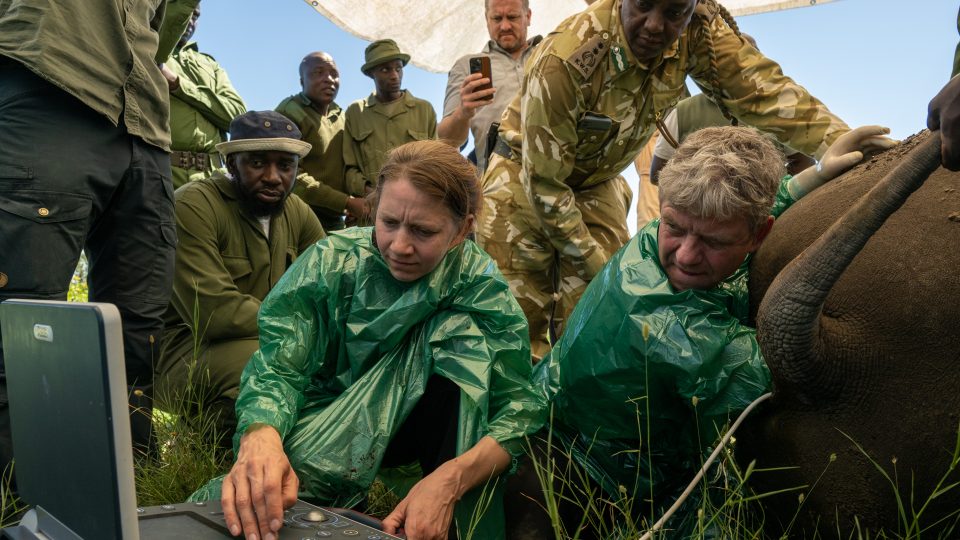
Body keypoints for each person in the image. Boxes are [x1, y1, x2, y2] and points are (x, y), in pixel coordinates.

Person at [504, 125, 894, 538]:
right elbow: (790, 377)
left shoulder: (653, 239)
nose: (686, 256)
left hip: (611, 460)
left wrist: (810, 178)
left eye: (712, 240)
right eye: (675, 227)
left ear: (759, 233)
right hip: (560, 474)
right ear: (665, 205)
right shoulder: (680, 332)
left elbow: (726, 214)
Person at [189, 140, 543, 540]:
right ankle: (341, 503)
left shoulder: (478, 286)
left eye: (423, 231)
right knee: (247, 501)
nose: (400, 246)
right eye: (389, 223)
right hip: (329, 418)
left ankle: (449, 522)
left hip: (426, 429)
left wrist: (450, 481)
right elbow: (279, 367)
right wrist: (262, 435)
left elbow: (518, 408)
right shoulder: (332, 262)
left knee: (460, 334)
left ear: (462, 228)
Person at [479, 0, 854, 361]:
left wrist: (836, 141)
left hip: (596, 183)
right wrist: (608, 274)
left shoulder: (697, 31)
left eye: (675, 11)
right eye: (643, 5)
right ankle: (510, 424)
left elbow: (763, 92)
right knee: (513, 325)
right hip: (522, 180)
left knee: (600, 323)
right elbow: (545, 185)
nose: (656, 25)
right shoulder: (567, 58)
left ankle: (575, 421)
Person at [0, 0, 198, 469]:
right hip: (50, 83)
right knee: (22, 327)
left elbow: (170, 15)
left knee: (136, 329)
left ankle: (131, 483)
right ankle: (19, 494)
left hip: (145, 128)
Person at [155, 110, 325, 442]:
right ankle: (209, 447)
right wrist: (303, 331)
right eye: (258, 163)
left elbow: (331, 285)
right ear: (232, 164)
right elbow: (216, 314)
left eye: (285, 165)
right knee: (263, 364)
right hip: (186, 351)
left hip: (269, 338)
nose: (274, 177)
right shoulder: (193, 205)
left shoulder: (297, 212)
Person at [648, 36, 814, 185]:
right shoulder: (683, 111)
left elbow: (803, 162)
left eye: (749, 60)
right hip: (699, 212)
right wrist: (700, 184)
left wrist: (776, 194)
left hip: (768, 211)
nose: (740, 68)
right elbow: (658, 173)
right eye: (731, 61)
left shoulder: (778, 108)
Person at [438, 0, 541, 172]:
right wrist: (462, 113)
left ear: (528, 16)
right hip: (498, 185)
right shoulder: (466, 66)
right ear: (487, 20)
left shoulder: (550, 55)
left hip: (559, 177)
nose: (505, 26)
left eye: (512, 17)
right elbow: (447, 140)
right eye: (497, 18)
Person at [277, 52, 369, 231]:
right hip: (298, 217)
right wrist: (347, 203)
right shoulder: (290, 112)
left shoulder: (341, 117)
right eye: (318, 73)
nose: (329, 79)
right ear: (302, 80)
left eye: (334, 74)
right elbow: (291, 176)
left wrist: (351, 203)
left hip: (335, 219)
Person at [160, 1, 247, 189]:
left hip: (214, 177)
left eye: (196, 15)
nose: (190, 20)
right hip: (161, 172)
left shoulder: (210, 64)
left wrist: (178, 84)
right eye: (187, 12)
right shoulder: (151, 51)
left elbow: (238, 117)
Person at [343, 40, 438, 202]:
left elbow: (434, 162)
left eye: (398, 68)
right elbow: (349, 169)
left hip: (415, 203)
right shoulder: (356, 113)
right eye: (385, 70)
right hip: (372, 208)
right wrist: (373, 194)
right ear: (371, 73)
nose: (394, 75)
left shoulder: (424, 109)